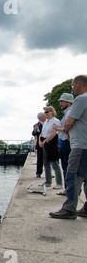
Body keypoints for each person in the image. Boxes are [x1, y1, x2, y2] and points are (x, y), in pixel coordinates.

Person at [50, 75, 87, 219]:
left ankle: (69, 209)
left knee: (72, 175)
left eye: (73, 85)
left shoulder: (81, 99)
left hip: (80, 145)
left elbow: (68, 123)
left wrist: (65, 128)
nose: (73, 88)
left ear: (79, 84)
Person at [53, 93, 74, 195]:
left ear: (68, 102)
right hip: (65, 141)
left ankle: (69, 190)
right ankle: (68, 189)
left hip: (66, 142)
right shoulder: (67, 112)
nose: (60, 104)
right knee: (66, 166)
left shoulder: (70, 112)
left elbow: (68, 128)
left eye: (62, 102)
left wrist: (58, 128)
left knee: (67, 167)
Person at [39, 106, 63, 189]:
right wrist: (40, 141)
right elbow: (42, 133)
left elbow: (53, 133)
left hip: (52, 143)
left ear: (52, 112)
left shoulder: (56, 121)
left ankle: (59, 183)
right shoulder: (46, 122)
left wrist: (45, 141)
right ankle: (48, 181)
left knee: (55, 163)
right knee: (46, 163)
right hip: (45, 142)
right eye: (45, 112)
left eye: (47, 112)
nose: (45, 113)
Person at [32, 112, 46, 178]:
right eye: (43, 116)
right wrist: (35, 131)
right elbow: (34, 133)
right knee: (40, 158)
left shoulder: (47, 123)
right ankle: (38, 173)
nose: (45, 117)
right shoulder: (37, 124)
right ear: (40, 118)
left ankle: (47, 174)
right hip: (40, 143)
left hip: (47, 142)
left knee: (48, 159)